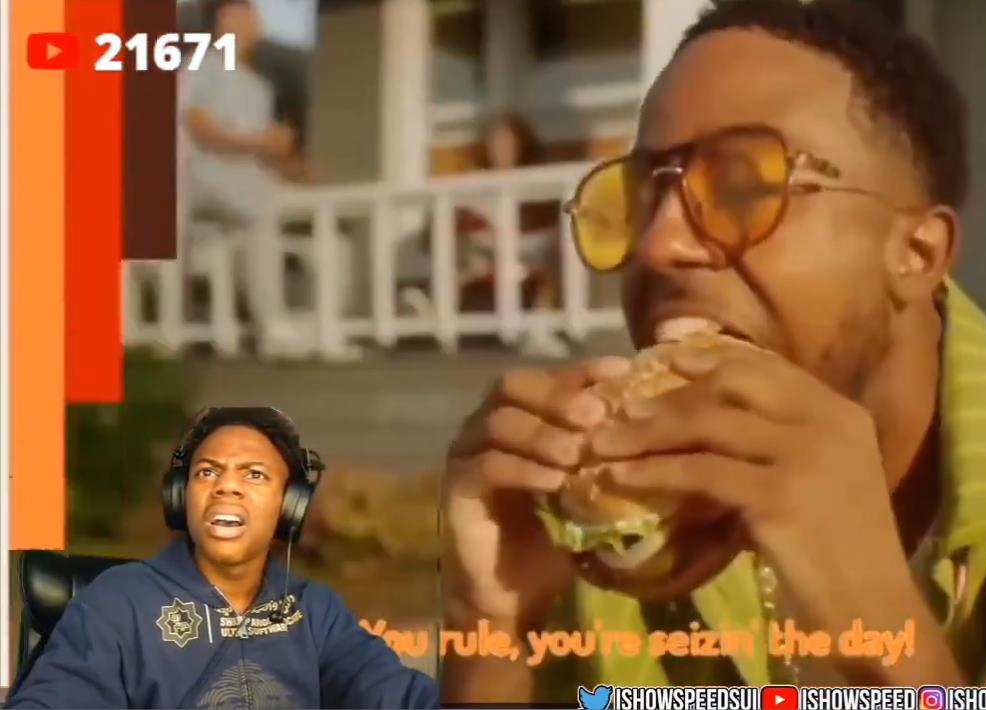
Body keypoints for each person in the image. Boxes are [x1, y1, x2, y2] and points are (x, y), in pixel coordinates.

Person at [438, 0, 986, 705]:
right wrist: (492, 630)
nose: (658, 246)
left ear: (916, 253)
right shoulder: (607, 544)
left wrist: (880, 632)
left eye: (742, 185)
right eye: (639, 196)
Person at [6, 407, 440, 709]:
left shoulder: (316, 612)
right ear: (181, 498)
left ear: (289, 506)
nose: (226, 486)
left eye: (254, 474)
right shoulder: (118, 603)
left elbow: (396, 696)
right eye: (207, 472)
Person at [182, 0, 307, 359]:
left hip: (243, 184)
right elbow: (202, 129)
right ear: (225, 19)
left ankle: (298, 324)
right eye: (249, 13)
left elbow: (262, 150)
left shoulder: (259, 86)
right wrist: (259, 142)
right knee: (259, 212)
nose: (257, 22)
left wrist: (280, 151)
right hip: (196, 179)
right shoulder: (202, 65)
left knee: (292, 218)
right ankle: (273, 326)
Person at [458, 114, 572, 359]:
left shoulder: (537, 186)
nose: (501, 149)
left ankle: (541, 331)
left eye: (508, 142)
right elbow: (473, 236)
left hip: (530, 271)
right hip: (487, 276)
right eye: (496, 142)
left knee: (552, 268)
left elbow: (546, 234)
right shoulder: (475, 185)